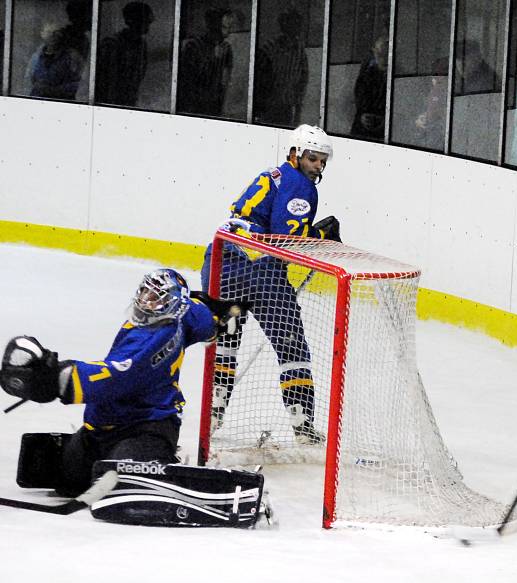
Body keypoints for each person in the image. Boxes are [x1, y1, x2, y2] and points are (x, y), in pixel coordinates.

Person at [0, 268, 245, 496]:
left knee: (121, 483)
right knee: (69, 481)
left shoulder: (151, 340)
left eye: (157, 298)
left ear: (173, 306)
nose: (148, 303)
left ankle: (159, 462)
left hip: (147, 427)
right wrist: (218, 316)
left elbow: (112, 378)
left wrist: (55, 379)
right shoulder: (183, 314)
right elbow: (200, 313)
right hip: (104, 427)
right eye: (145, 294)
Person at [200, 124, 340, 444]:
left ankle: (212, 417)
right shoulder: (300, 184)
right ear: (296, 154)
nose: (318, 166)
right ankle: (303, 428)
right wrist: (321, 236)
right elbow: (286, 239)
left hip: (221, 263)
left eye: (322, 161)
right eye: (313, 158)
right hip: (260, 270)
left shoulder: (271, 175)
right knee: (292, 348)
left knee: (226, 344)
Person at [24, 0, 92, 100]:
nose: (53, 37)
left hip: (61, 104)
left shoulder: (72, 56)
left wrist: (54, 90)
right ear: (42, 34)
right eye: (49, 33)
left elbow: (83, 84)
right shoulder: (37, 56)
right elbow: (28, 80)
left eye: (56, 33)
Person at [253, 8, 309, 126]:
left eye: (298, 25)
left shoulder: (299, 51)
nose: (297, 29)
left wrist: (298, 110)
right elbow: (260, 82)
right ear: (284, 25)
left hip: (286, 107)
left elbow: (303, 81)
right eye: (293, 24)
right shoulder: (269, 48)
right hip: (268, 106)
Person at [95, 1, 155, 107]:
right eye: (144, 20)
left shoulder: (141, 44)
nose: (148, 24)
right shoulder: (112, 44)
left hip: (128, 101)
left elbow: (138, 75)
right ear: (133, 21)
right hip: (112, 103)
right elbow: (107, 81)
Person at [177, 8, 235, 116]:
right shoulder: (193, 46)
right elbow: (187, 80)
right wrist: (213, 58)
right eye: (225, 27)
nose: (229, 31)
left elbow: (226, 78)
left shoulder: (226, 48)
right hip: (195, 104)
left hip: (215, 103)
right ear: (214, 26)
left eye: (230, 27)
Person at [351, 35, 388, 140]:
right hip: (362, 129)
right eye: (380, 54)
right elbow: (358, 95)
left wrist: (385, 120)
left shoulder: (396, 74)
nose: (383, 59)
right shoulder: (368, 72)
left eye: (386, 55)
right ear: (374, 52)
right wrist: (362, 115)